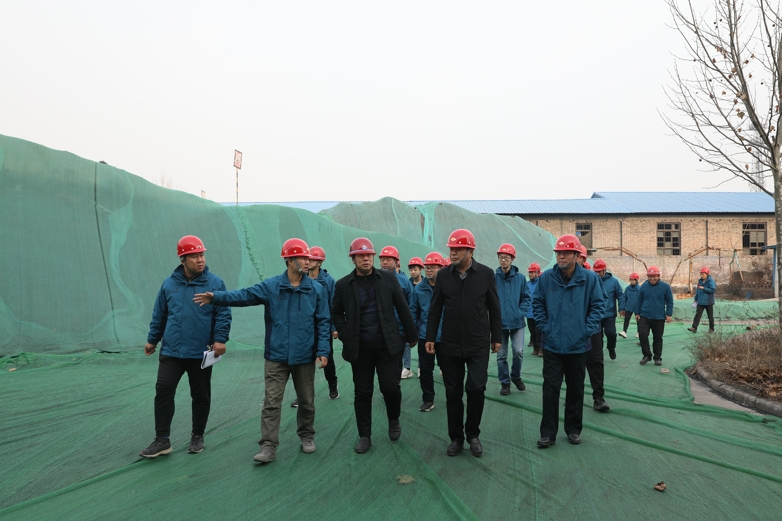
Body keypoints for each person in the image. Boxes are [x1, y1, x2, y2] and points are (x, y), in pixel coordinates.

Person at [193, 238, 330, 464]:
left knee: (306, 400)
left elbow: (323, 322)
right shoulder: (272, 286)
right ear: (290, 260)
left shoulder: (316, 290)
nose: (308, 261)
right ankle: (268, 446)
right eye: (303, 258)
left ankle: (307, 435)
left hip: (304, 356)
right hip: (276, 356)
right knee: (271, 403)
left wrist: (323, 350)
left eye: (309, 258)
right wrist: (216, 297)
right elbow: (243, 295)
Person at [140, 235, 232, 459]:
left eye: (202, 255)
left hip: (201, 352)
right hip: (171, 351)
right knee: (163, 391)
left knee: (200, 395)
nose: (200, 260)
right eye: (194, 256)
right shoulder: (169, 284)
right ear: (183, 259)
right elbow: (160, 314)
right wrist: (153, 340)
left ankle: (197, 435)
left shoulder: (215, 283)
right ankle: (162, 440)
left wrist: (220, 339)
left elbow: (223, 314)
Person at [331, 238, 418, 454]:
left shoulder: (388, 278)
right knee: (362, 392)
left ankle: (393, 420)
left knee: (390, 387)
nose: (366, 259)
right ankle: (365, 435)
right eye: (361, 255)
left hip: (388, 347)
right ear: (353, 259)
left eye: (369, 255)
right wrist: (344, 332)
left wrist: (411, 335)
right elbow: (336, 312)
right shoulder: (343, 285)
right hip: (360, 350)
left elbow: (402, 307)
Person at [425, 229, 501, 458]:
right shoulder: (444, 276)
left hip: (478, 343)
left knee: (476, 388)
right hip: (450, 345)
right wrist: (430, 337)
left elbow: (495, 309)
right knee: (453, 392)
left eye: (458, 249)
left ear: (470, 251)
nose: (453, 253)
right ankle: (456, 438)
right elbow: (435, 309)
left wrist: (496, 337)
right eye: (451, 249)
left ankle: (473, 435)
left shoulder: (486, 274)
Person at [533, 234, 605, 448]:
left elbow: (597, 306)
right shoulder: (547, 278)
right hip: (553, 345)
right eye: (558, 253)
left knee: (575, 388)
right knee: (550, 389)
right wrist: (545, 327)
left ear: (576, 255)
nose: (561, 256)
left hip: (578, 345)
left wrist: (586, 330)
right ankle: (548, 433)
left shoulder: (589, 279)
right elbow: (537, 304)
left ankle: (573, 430)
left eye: (565, 253)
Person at [291, 246, 339, 406]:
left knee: (327, 357)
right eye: (307, 259)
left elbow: (333, 305)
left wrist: (333, 327)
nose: (308, 261)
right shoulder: (300, 278)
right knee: (303, 361)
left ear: (320, 262)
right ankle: (303, 395)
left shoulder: (329, 282)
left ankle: (332, 384)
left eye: (312, 259)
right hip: (305, 328)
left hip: (323, 327)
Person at [409, 252, 445, 412]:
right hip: (425, 336)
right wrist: (414, 332)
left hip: (445, 337)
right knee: (425, 369)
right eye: (427, 267)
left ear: (441, 268)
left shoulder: (447, 288)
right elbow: (413, 311)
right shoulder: (419, 289)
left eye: (433, 267)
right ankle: (428, 399)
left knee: (450, 370)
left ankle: (453, 398)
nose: (429, 270)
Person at [587, 259, 624, 413]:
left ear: (604, 270)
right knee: (596, 339)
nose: (597, 274)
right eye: (595, 271)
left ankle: (611, 347)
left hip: (608, 314)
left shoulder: (613, 282)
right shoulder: (589, 279)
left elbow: (620, 295)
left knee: (610, 333)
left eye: (599, 271)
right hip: (593, 319)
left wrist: (622, 308)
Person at [494, 243, 531, 396]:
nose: (503, 260)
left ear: (512, 259)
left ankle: (516, 376)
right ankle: (505, 382)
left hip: (517, 322)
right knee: (501, 355)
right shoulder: (493, 278)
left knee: (518, 352)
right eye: (501, 257)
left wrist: (519, 312)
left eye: (506, 257)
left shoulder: (520, 278)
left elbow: (526, 298)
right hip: (499, 323)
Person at [379, 246, 415, 379]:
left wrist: (410, 330)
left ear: (396, 262)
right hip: (380, 330)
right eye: (382, 259)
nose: (385, 262)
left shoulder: (403, 281)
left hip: (399, 331)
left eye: (388, 259)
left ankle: (395, 385)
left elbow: (411, 306)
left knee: (396, 363)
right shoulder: (375, 279)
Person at [636, 266, 674, 366]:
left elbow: (670, 301)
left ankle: (657, 357)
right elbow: (639, 300)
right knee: (642, 335)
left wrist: (668, 314)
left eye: (654, 276)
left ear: (658, 276)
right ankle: (647, 355)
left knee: (657, 338)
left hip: (659, 317)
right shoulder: (644, 286)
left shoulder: (665, 287)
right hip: (645, 316)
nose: (652, 278)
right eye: (650, 276)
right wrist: (637, 313)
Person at [688, 267, 716, 333]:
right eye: (701, 274)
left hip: (708, 302)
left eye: (703, 274)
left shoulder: (711, 281)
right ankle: (694, 328)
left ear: (707, 274)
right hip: (700, 302)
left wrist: (704, 288)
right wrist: (696, 298)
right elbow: (698, 290)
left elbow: (712, 290)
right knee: (697, 315)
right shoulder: (700, 281)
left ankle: (711, 329)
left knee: (710, 316)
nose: (701, 275)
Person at [526, 263, 543, 357]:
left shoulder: (541, 283)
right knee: (532, 331)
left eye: (532, 272)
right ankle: (535, 349)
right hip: (529, 312)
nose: (530, 274)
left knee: (539, 331)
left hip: (539, 312)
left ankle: (541, 349)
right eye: (529, 272)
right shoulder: (527, 284)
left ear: (538, 273)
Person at [619, 273, 641, 339]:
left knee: (638, 320)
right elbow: (624, 298)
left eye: (633, 280)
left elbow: (641, 299)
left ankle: (639, 332)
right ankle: (624, 332)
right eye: (631, 280)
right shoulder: (627, 289)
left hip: (637, 307)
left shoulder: (640, 289)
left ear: (636, 280)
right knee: (626, 319)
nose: (632, 281)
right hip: (628, 307)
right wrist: (623, 307)